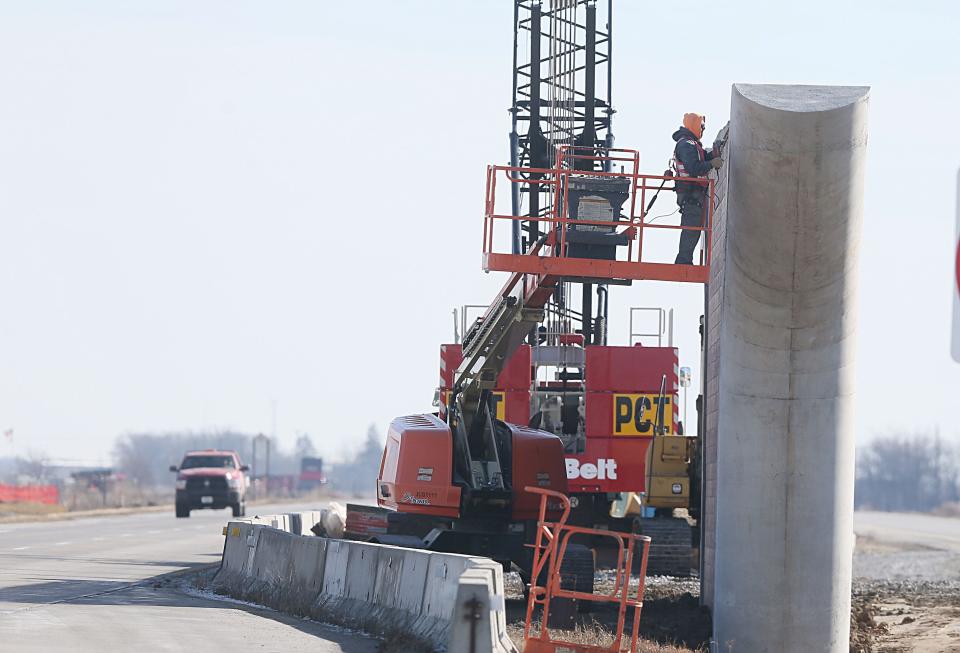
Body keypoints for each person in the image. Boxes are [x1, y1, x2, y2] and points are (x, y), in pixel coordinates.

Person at [672, 112, 722, 265]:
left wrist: (712, 154)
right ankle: (683, 262)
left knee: (693, 228)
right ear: (694, 124)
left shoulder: (690, 143)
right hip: (691, 194)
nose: (702, 130)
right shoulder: (686, 144)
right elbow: (694, 168)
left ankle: (684, 260)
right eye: (701, 126)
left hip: (693, 193)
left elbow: (698, 159)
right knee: (691, 228)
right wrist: (711, 164)